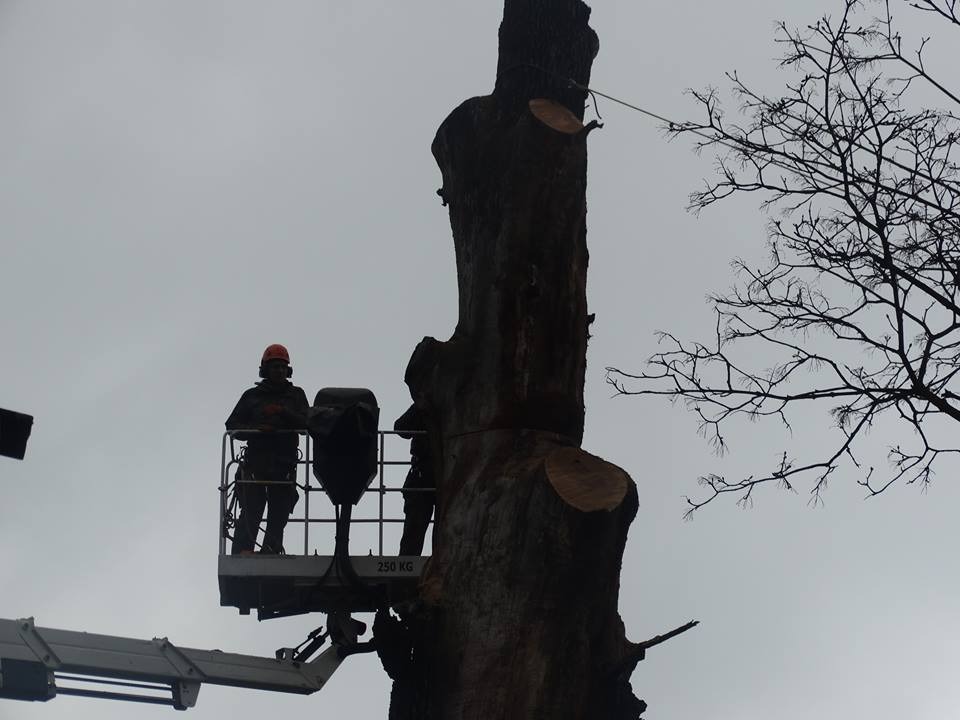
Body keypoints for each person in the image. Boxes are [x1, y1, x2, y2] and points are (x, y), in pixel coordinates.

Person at [226, 344, 309, 554]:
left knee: (279, 511)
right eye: (275, 367)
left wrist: (282, 412)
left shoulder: (296, 395)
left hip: (284, 464)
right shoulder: (252, 396)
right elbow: (232, 426)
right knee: (251, 508)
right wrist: (257, 430)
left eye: (282, 367)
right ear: (265, 370)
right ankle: (243, 551)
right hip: (256, 463)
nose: (279, 370)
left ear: (288, 370)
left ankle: (271, 550)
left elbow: (308, 424)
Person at [394, 404, 435, 556]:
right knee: (414, 526)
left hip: (441, 473)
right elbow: (401, 427)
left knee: (446, 527)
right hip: (423, 474)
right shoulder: (424, 403)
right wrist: (421, 407)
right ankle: (407, 563)